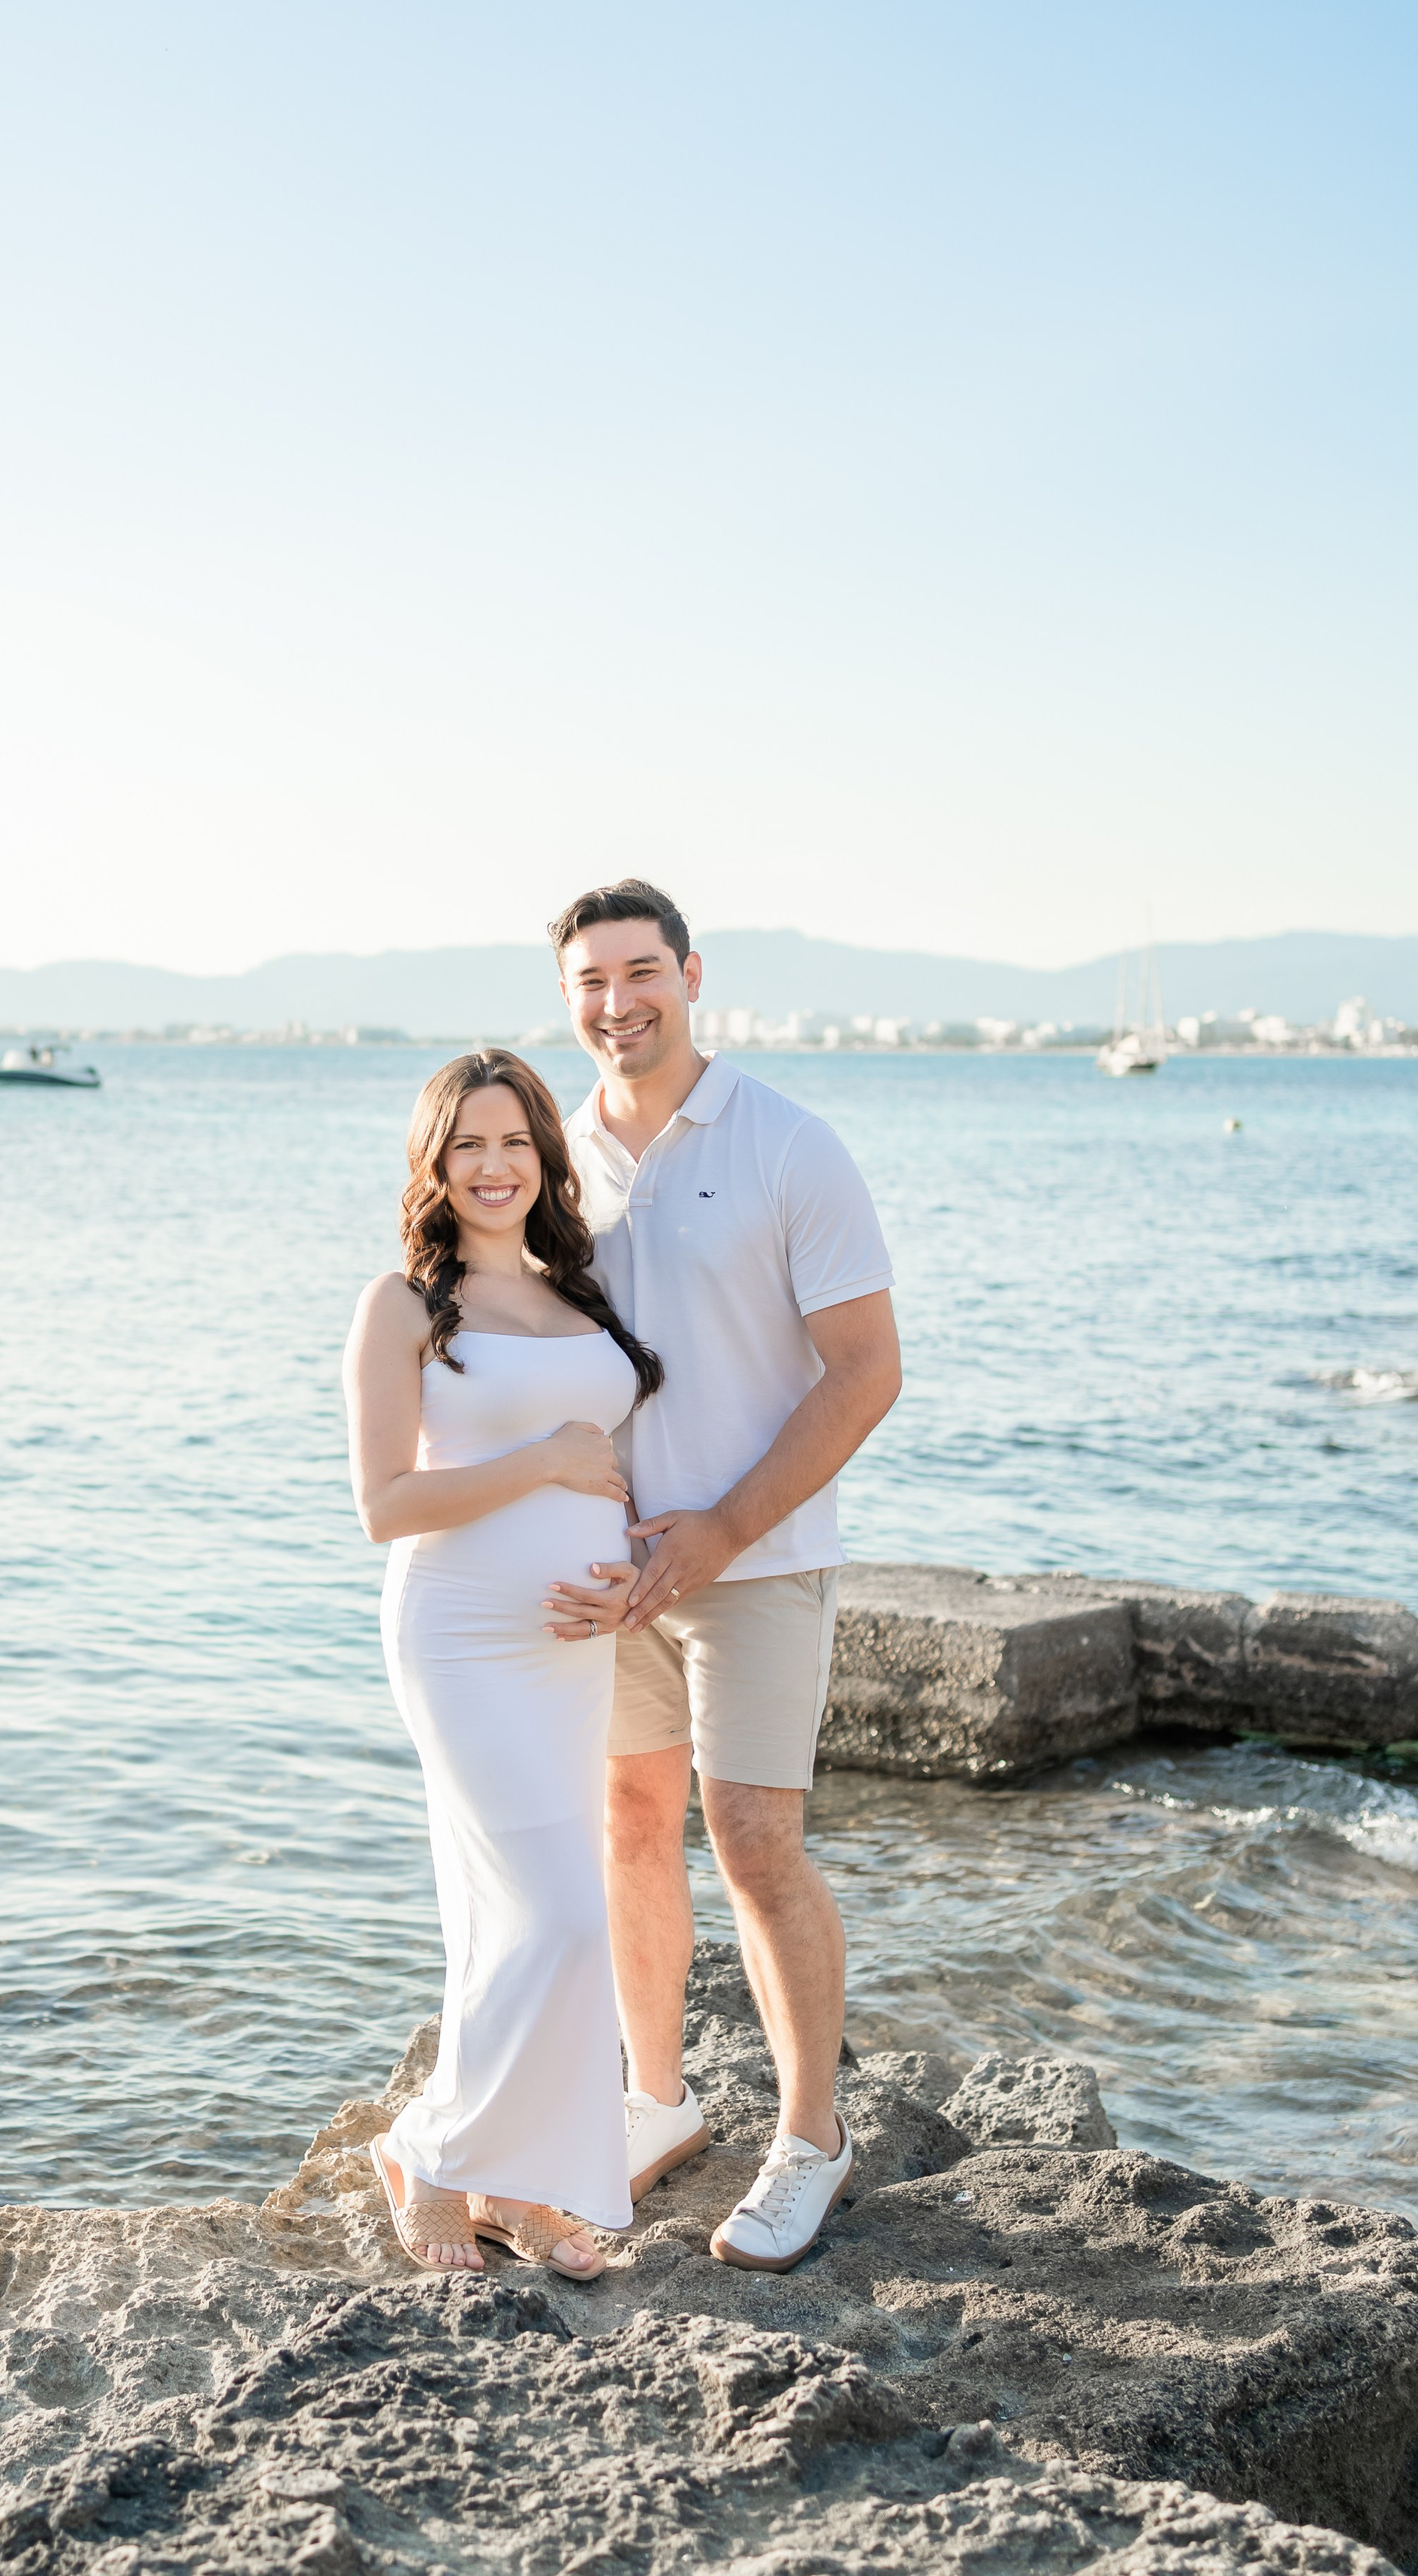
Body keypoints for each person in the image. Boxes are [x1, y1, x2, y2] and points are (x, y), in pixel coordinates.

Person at [544, 878, 901, 2274]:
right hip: (605, 1567)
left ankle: (811, 2139)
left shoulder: (786, 1145)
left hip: (758, 1559)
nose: (617, 1001)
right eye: (590, 980)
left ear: (692, 976)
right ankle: (658, 2099)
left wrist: (722, 1526)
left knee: (754, 1841)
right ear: (567, 996)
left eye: (641, 971)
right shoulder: (556, 1153)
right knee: (631, 1828)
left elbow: (866, 1371)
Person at [343, 1047, 663, 2280]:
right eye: (469, 1143)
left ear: (546, 1156)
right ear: (436, 1161)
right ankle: (429, 2150)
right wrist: (543, 1463)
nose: (494, 1165)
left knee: (505, 1913)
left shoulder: (579, 1297)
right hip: (461, 1633)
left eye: (516, 1141)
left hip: (572, 1641)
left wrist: (635, 1576)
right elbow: (385, 1501)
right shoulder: (403, 1305)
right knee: (567, 1917)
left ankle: (519, 2182)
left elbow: (625, 1467)